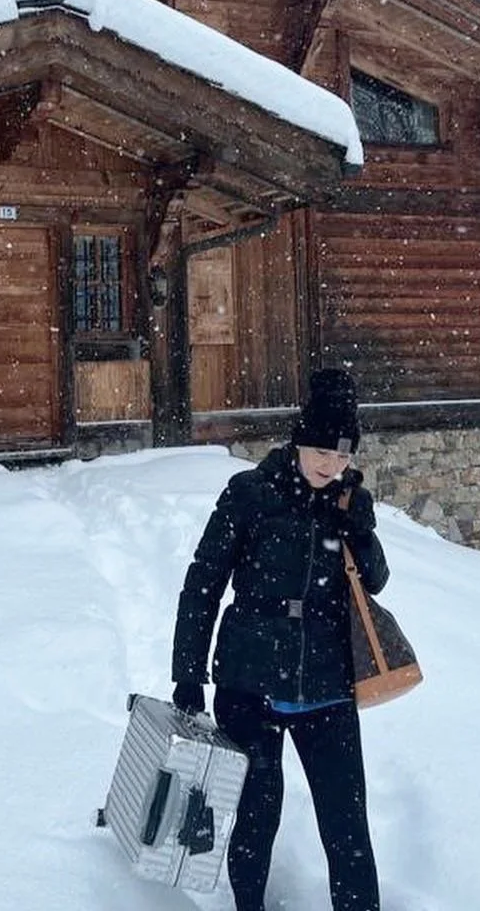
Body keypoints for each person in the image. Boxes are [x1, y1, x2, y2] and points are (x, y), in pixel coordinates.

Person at [171, 368, 388, 911]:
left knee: (346, 824)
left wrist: (361, 527)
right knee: (257, 811)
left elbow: (376, 581)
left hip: (329, 686)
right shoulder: (250, 494)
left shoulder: (345, 502)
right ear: (298, 440)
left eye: (341, 458)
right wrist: (187, 674)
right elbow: (203, 583)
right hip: (251, 682)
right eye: (321, 452)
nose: (330, 466)